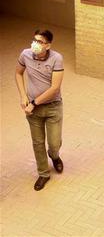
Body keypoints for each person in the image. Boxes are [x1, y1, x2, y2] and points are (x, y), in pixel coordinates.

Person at [15, 29, 64, 191]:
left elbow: (55, 88)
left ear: (48, 45)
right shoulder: (25, 54)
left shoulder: (57, 59)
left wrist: (34, 103)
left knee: (54, 143)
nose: (35, 44)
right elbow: (18, 73)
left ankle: (54, 155)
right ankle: (43, 173)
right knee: (37, 143)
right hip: (32, 110)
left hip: (52, 107)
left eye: (40, 42)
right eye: (34, 40)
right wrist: (23, 96)